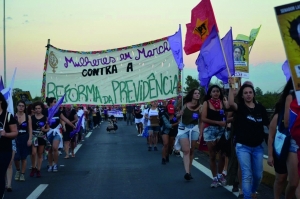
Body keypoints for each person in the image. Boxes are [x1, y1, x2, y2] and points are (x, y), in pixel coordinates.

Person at [228, 77, 269, 199]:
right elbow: (230, 103)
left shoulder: (260, 108)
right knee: (247, 174)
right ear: (242, 95)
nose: (248, 95)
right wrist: (231, 87)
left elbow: (268, 124)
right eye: (245, 93)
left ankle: (252, 191)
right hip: (242, 146)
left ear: (254, 94)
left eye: (250, 92)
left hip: (258, 147)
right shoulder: (240, 108)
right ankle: (247, 196)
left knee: (258, 175)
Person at [202, 85, 227, 187]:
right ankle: (214, 178)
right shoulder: (206, 103)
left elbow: (228, 113)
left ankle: (220, 175)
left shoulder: (223, 102)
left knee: (222, 154)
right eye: (214, 91)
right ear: (210, 93)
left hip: (221, 130)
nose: (216, 93)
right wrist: (217, 122)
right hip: (210, 130)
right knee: (212, 155)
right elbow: (203, 118)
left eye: (217, 91)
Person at [174, 88, 201, 180]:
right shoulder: (184, 104)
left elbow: (201, 120)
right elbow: (176, 116)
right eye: (195, 93)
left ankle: (189, 171)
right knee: (186, 150)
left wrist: (201, 132)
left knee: (192, 150)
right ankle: (187, 172)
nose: (197, 94)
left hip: (194, 128)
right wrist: (179, 114)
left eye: (198, 93)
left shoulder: (201, 107)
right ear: (192, 95)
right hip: (184, 128)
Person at [45, 97, 75, 172]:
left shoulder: (58, 112)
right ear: (50, 103)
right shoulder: (45, 111)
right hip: (48, 132)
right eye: (54, 102)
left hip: (57, 132)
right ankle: (50, 164)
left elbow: (66, 120)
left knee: (55, 148)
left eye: (56, 102)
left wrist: (72, 126)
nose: (56, 103)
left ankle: (55, 164)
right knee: (49, 150)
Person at [0, 92, 18, 198]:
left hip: (4, 150)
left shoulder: (8, 116)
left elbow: (15, 132)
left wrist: (5, 134)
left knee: (0, 174)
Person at [14, 100, 32, 182]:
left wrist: (30, 139)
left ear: (25, 107)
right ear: (16, 106)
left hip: (25, 137)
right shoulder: (13, 116)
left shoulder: (28, 116)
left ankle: (23, 174)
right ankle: (18, 170)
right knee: (16, 157)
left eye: (23, 106)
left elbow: (30, 129)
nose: (21, 107)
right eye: (19, 106)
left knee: (24, 157)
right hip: (16, 138)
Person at [30, 102, 49, 178]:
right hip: (34, 136)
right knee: (33, 153)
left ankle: (38, 170)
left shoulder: (45, 118)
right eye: (36, 108)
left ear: (42, 109)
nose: (37, 110)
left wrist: (44, 129)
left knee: (40, 153)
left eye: (39, 108)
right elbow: (30, 128)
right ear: (34, 109)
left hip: (42, 136)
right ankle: (33, 167)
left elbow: (48, 128)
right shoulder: (31, 117)